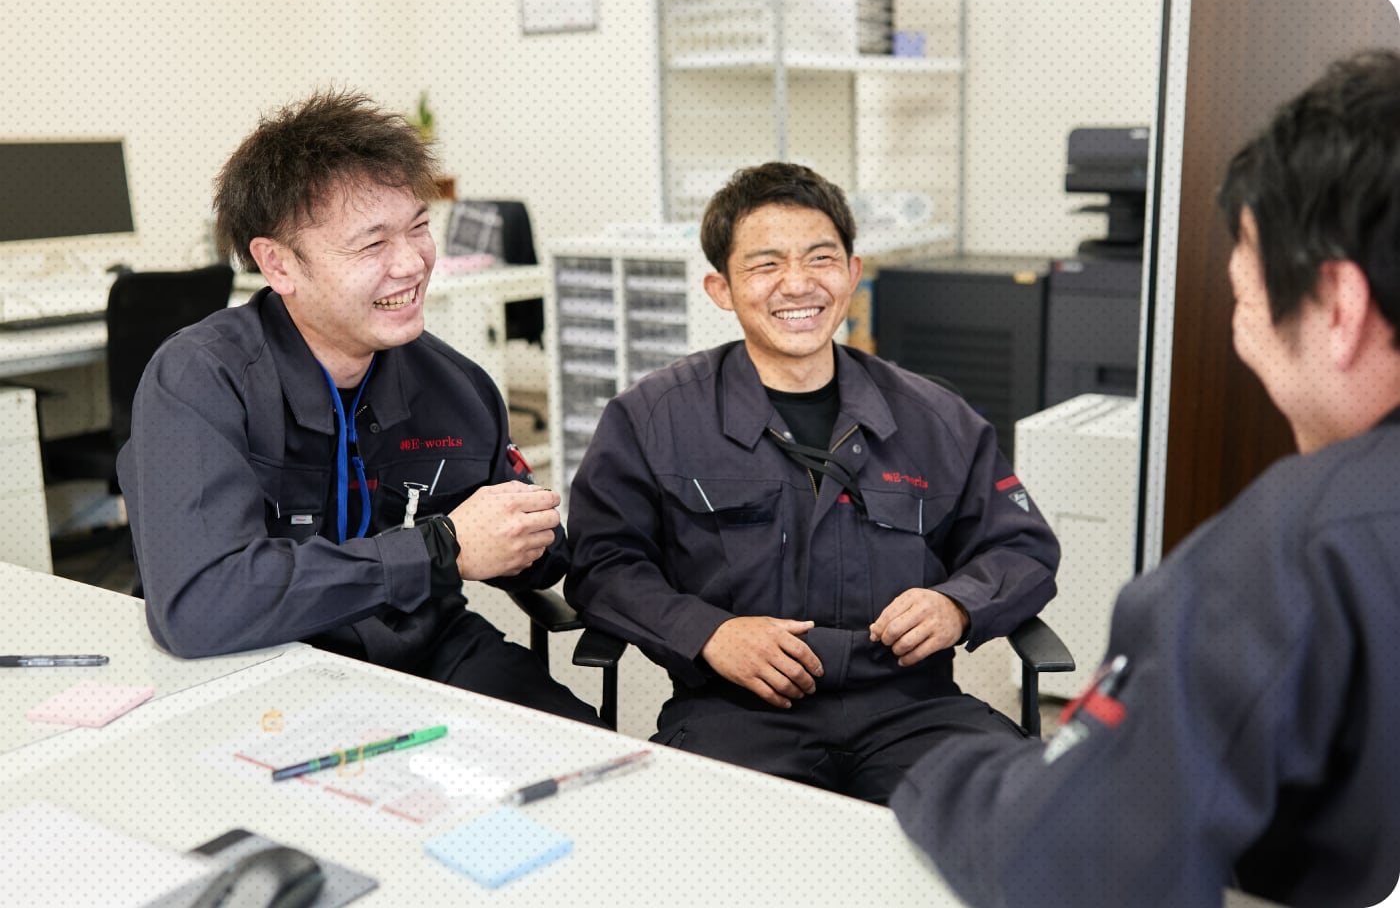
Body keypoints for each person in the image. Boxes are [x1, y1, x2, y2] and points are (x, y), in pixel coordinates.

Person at [890, 49, 1400, 908]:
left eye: (1244, 283)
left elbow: (1072, 860)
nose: (1238, 311)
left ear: (1339, 308)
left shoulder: (1300, 543)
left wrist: (938, 774)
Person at [564, 162, 1060, 803]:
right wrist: (708, 633)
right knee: (706, 845)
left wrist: (959, 604)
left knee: (1028, 824)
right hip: (737, 710)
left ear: (852, 272)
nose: (797, 284)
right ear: (721, 288)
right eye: (765, 264)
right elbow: (604, 564)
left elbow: (1020, 546)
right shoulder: (652, 417)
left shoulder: (936, 417)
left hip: (914, 709)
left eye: (820, 258)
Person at [116, 91, 601, 725]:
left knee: (585, 752)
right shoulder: (199, 381)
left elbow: (534, 556)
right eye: (372, 244)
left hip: (428, 649)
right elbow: (201, 606)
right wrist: (442, 548)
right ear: (278, 264)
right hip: (264, 666)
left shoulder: (456, 384)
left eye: (419, 227)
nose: (412, 263)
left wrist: (532, 536)